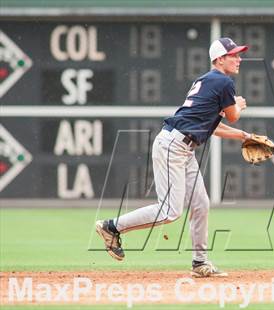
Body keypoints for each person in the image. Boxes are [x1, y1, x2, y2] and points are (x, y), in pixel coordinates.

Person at [96, 37, 251, 277]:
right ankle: (112, 227)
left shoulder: (207, 80)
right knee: (170, 211)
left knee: (201, 204)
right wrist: (239, 105)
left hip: (182, 147)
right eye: (234, 55)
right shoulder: (224, 82)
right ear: (220, 59)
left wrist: (244, 136)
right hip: (174, 146)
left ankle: (200, 263)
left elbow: (213, 126)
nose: (239, 58)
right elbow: (232, 116)